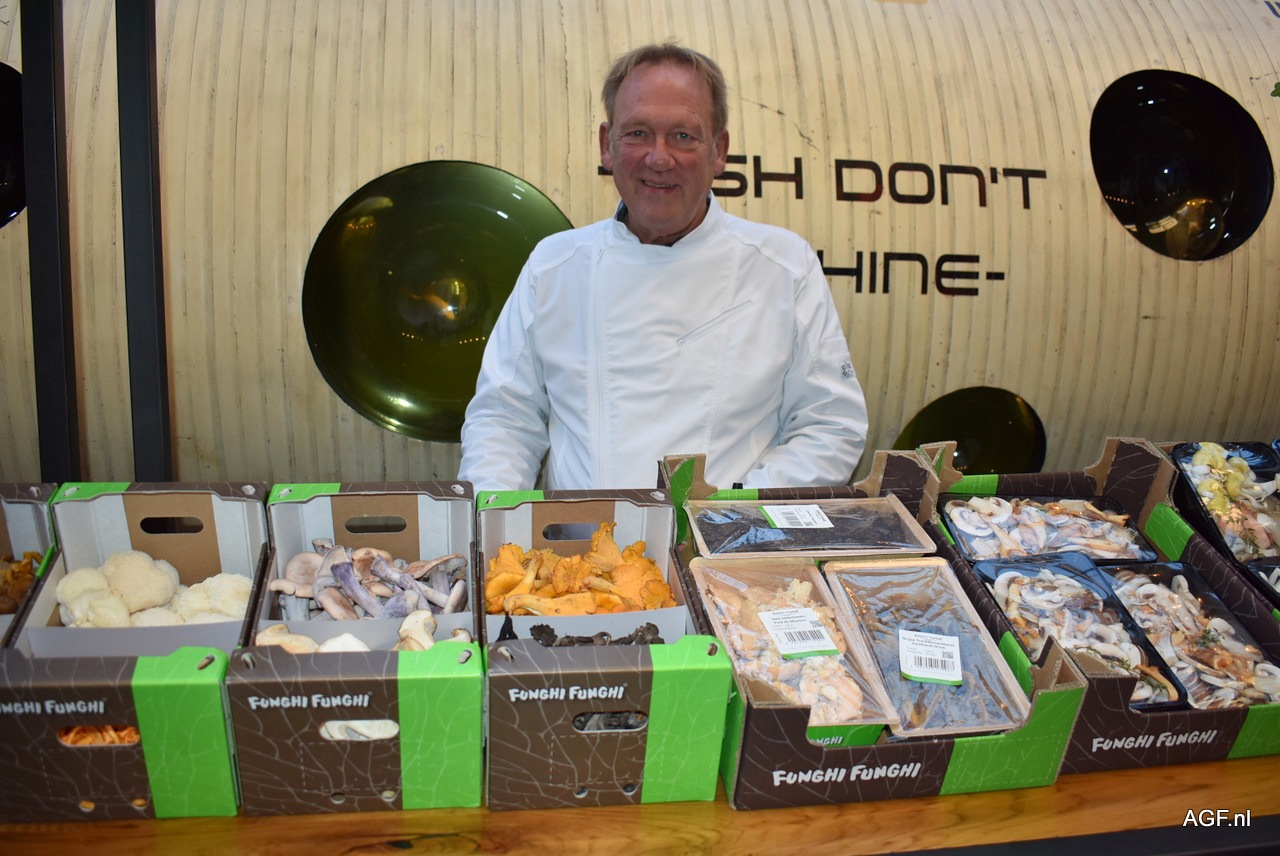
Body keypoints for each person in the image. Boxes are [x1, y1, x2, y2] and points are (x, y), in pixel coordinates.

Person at [459, 42, 868, 491]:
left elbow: (829, 425)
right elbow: (504, 419)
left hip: (723, 533)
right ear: (607, 146)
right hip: (578, 536)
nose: (658, 158)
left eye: (683, 136)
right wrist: (501, 516)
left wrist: (731, 515)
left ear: (719, 151)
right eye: (637, 133)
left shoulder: (783, 266)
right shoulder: (555, 265)